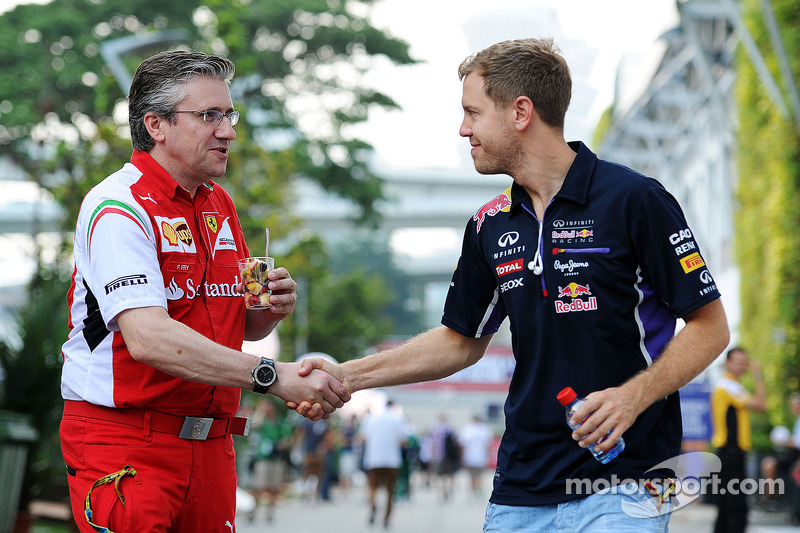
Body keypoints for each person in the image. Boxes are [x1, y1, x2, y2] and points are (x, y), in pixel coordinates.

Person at [294, 37, 730, 532]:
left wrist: (633, 397)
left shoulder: (636, 200)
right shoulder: (489, 224)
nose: (464, 130)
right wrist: (344, 377)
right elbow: (460, 341)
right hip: (520, 491)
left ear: (520, 112)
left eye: (473, 113)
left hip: (627, 482)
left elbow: (710, 326)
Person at [58, 50, 350, 533]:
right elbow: (149, 338)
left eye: (229, 115)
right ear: (157, 125)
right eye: (209, 115)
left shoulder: (218, 203)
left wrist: (270, 310)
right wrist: (272, 376)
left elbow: (240, 328)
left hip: (212, 446)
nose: (229, 131)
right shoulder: (118, 205)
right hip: (127, 440)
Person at [710, 347, 766, 533]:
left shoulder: (733, 386)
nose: (741, 366)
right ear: (727, 363)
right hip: (730, 453)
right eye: (737, 361)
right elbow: (760, 404)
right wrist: (757, 375)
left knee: (727, 507)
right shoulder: (728, 386)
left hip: (729, 454)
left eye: (744, 362)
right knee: (736, 507)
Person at [358, 400, 408, 528]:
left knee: (373, 487)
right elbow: (403, 441)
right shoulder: (397, 420)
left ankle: (374, 504)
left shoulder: (372, 420)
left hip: (374, 460)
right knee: (390, 491)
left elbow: (362, 438)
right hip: (392, 461)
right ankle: (386, 518)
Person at [250, 398, 295, 523]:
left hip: (276, 459)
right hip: (263, 459)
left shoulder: (280, 422)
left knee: (274, 488)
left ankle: (270, 513)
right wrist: (260, 411)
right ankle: (253, 511)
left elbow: (288, 438)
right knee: (258, 486)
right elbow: (255, 426)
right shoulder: (262, 421)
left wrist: (282, 444)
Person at [760, 393, 800, 511]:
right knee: (768, 463)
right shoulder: (797, 421)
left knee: (769, 463)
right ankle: (771, 496)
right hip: (793, 454)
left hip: (796, 455)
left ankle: (771, 497)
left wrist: (785, 441)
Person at [458, 414, 494, 497]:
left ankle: (473, 491)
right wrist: (488, 456)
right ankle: (478, 490)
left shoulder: (467, 429)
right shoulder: (485, 429)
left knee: (471, 476)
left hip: (470, 456)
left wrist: (462, 457)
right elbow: (488, 445)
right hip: (481, 456)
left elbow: (463, 445)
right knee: (479, 475)